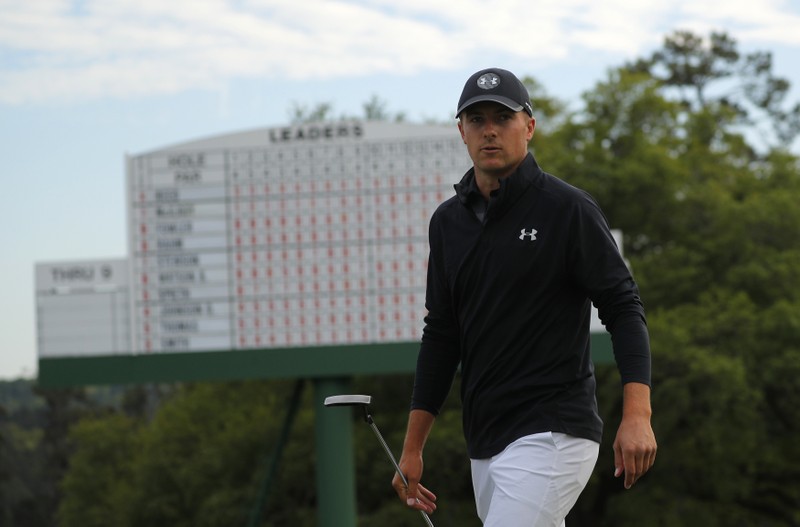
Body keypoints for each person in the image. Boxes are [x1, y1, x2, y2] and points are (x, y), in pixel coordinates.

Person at [391, 67, 657, 526]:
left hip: (555, 429)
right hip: (486, 440)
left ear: (528, 127)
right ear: (462, 132)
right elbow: (441, 336)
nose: (489, 129)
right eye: (476, 119)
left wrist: (638, 414)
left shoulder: (568, 208)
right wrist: (413, 448)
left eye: (503, 117)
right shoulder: (447, 223)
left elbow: (624, 309)